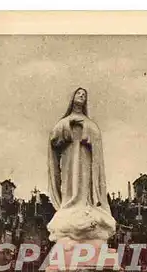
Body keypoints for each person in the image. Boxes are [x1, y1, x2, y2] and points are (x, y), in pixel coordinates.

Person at [47, 87, 116, 242]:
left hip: (85, 160)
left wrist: (85, 129)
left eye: (84, 95)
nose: (81, 96)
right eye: (79, 93)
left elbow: (96, 137)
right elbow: (54, 138)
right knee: (70, 183)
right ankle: (71, 206)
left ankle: (85, 204)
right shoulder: (64, 122)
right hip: (69, 159)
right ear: (73, 98)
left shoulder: (90, 124)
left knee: (84, 182)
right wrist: (68, 125)